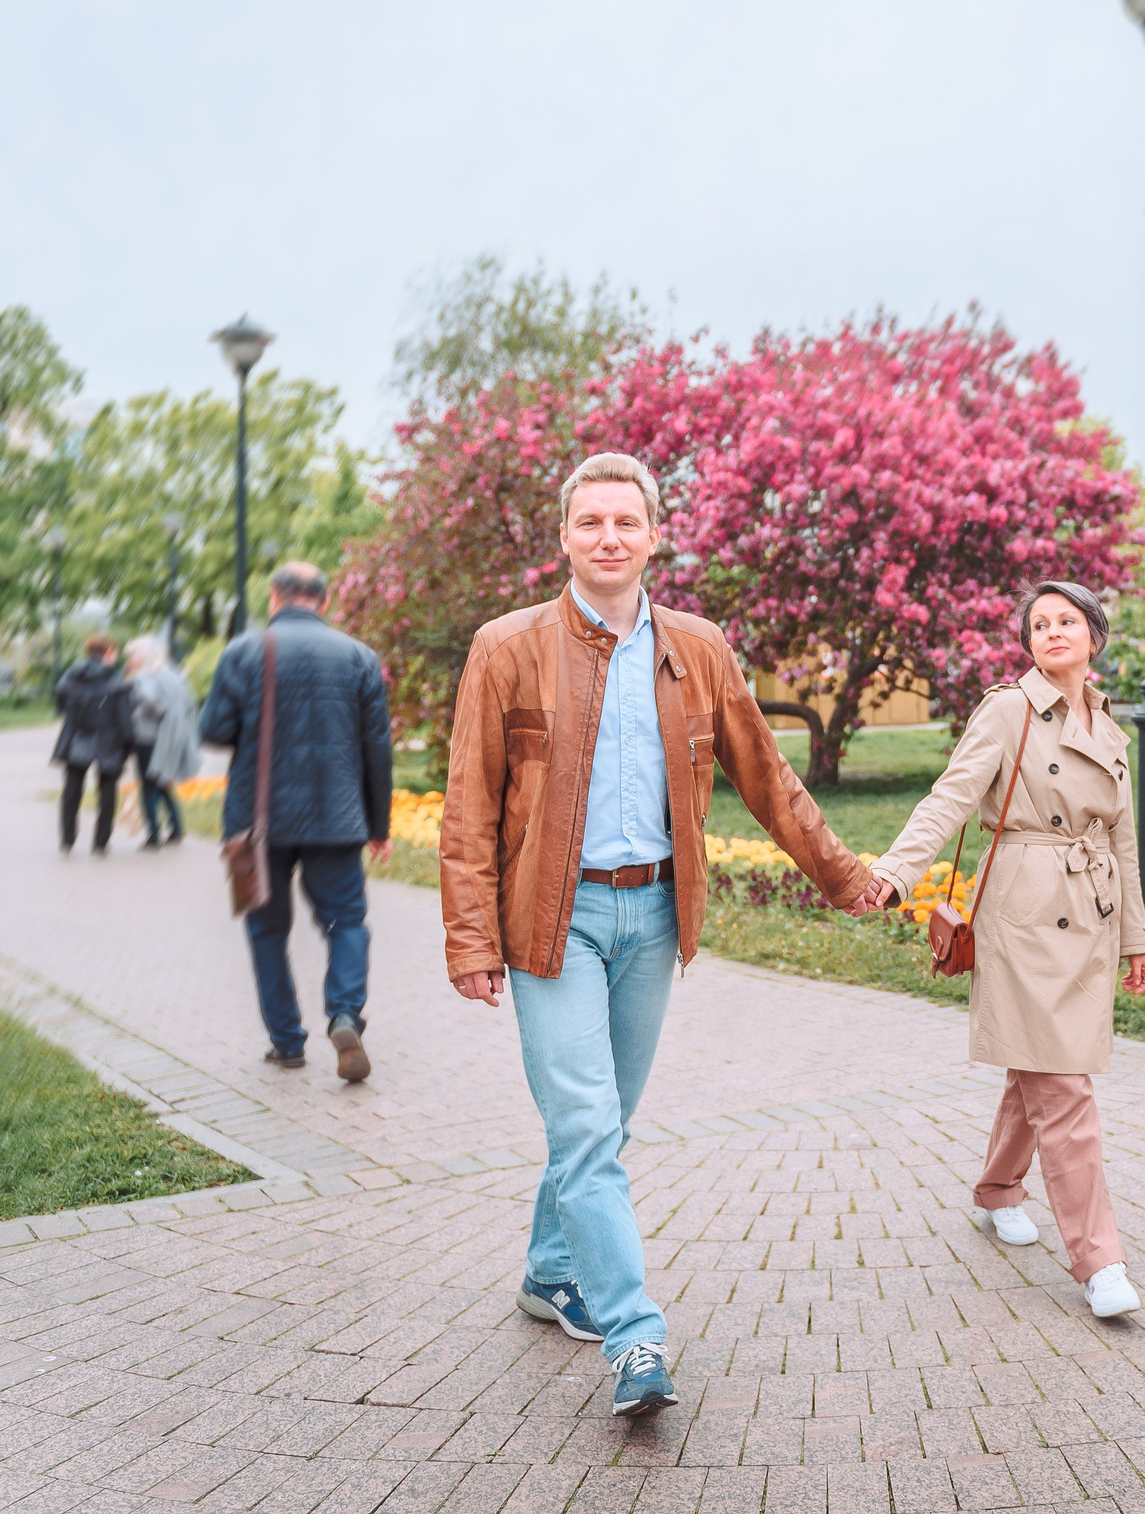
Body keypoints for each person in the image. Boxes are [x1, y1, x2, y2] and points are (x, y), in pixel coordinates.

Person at [439, 453, 872, 1419]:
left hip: (655, 916)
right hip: (555, 920)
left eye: (624, 523)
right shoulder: (506, 646)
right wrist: (471, 941)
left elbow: (768, 779)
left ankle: (551, 1271)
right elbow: (469, 804)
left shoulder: (697, 647)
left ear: (653, 535)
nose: (608, 538)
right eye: (589, 523)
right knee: (588, 1126)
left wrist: (846, 877)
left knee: (603, 1122)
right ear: (563, 537)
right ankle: (634, 1337)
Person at [863, 581, 1145, 1322]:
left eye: (1067, 620)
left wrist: (1136, 938)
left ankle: (996, 1190)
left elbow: (1124, 841)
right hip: (1022, 914)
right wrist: (896, 871)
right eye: (1039, 623)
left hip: (1088, 911)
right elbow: (950, 798)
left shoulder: (1110, 728)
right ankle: (1100, 1258)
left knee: (1042, 1066)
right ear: (1028, 642)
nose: (1052, 631)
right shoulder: (1007, 708)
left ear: (1094, 634)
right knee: (1064, 1085)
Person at [201, 562, 393, 1082]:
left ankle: (286, 1042)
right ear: (323, 603)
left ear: (274, 598)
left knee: (267, 931)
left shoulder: (243, 651)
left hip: (258, 820)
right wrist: (379, 825)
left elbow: (214, 728)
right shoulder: (358, 656)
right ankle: (345, 1014)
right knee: (346, 921)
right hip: (338, 818)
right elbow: (378, 750)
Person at [53, 634, 135, 856]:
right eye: (114, 652)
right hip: (109, 739)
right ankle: (101, 842)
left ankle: (67, 840)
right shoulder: (116, 680)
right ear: (107, 652)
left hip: (77, 737)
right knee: (107, 793)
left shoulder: (71, 676)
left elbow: (60, 703)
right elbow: (124, 717)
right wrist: (129, 745)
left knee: (71, 791)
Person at [125, 635, 197, 850]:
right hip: (170, 737)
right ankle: (176, 828)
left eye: (131, 654)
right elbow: (189, 702)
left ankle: (153, 835)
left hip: (147, 737)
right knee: (164, 783)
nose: (128, 658)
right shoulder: (173, 674)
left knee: (148, 786)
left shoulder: (143, 677)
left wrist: (142, 711)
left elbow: (150, 700)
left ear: (141, 655)